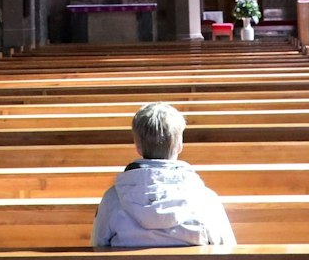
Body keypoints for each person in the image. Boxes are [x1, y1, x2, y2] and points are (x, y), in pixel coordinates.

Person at [91, 102, 238, 248]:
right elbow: (228, 250)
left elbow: (97, 247)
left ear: (138, 147)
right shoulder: (205, 199)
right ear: (179, 145)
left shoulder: (113, 199)